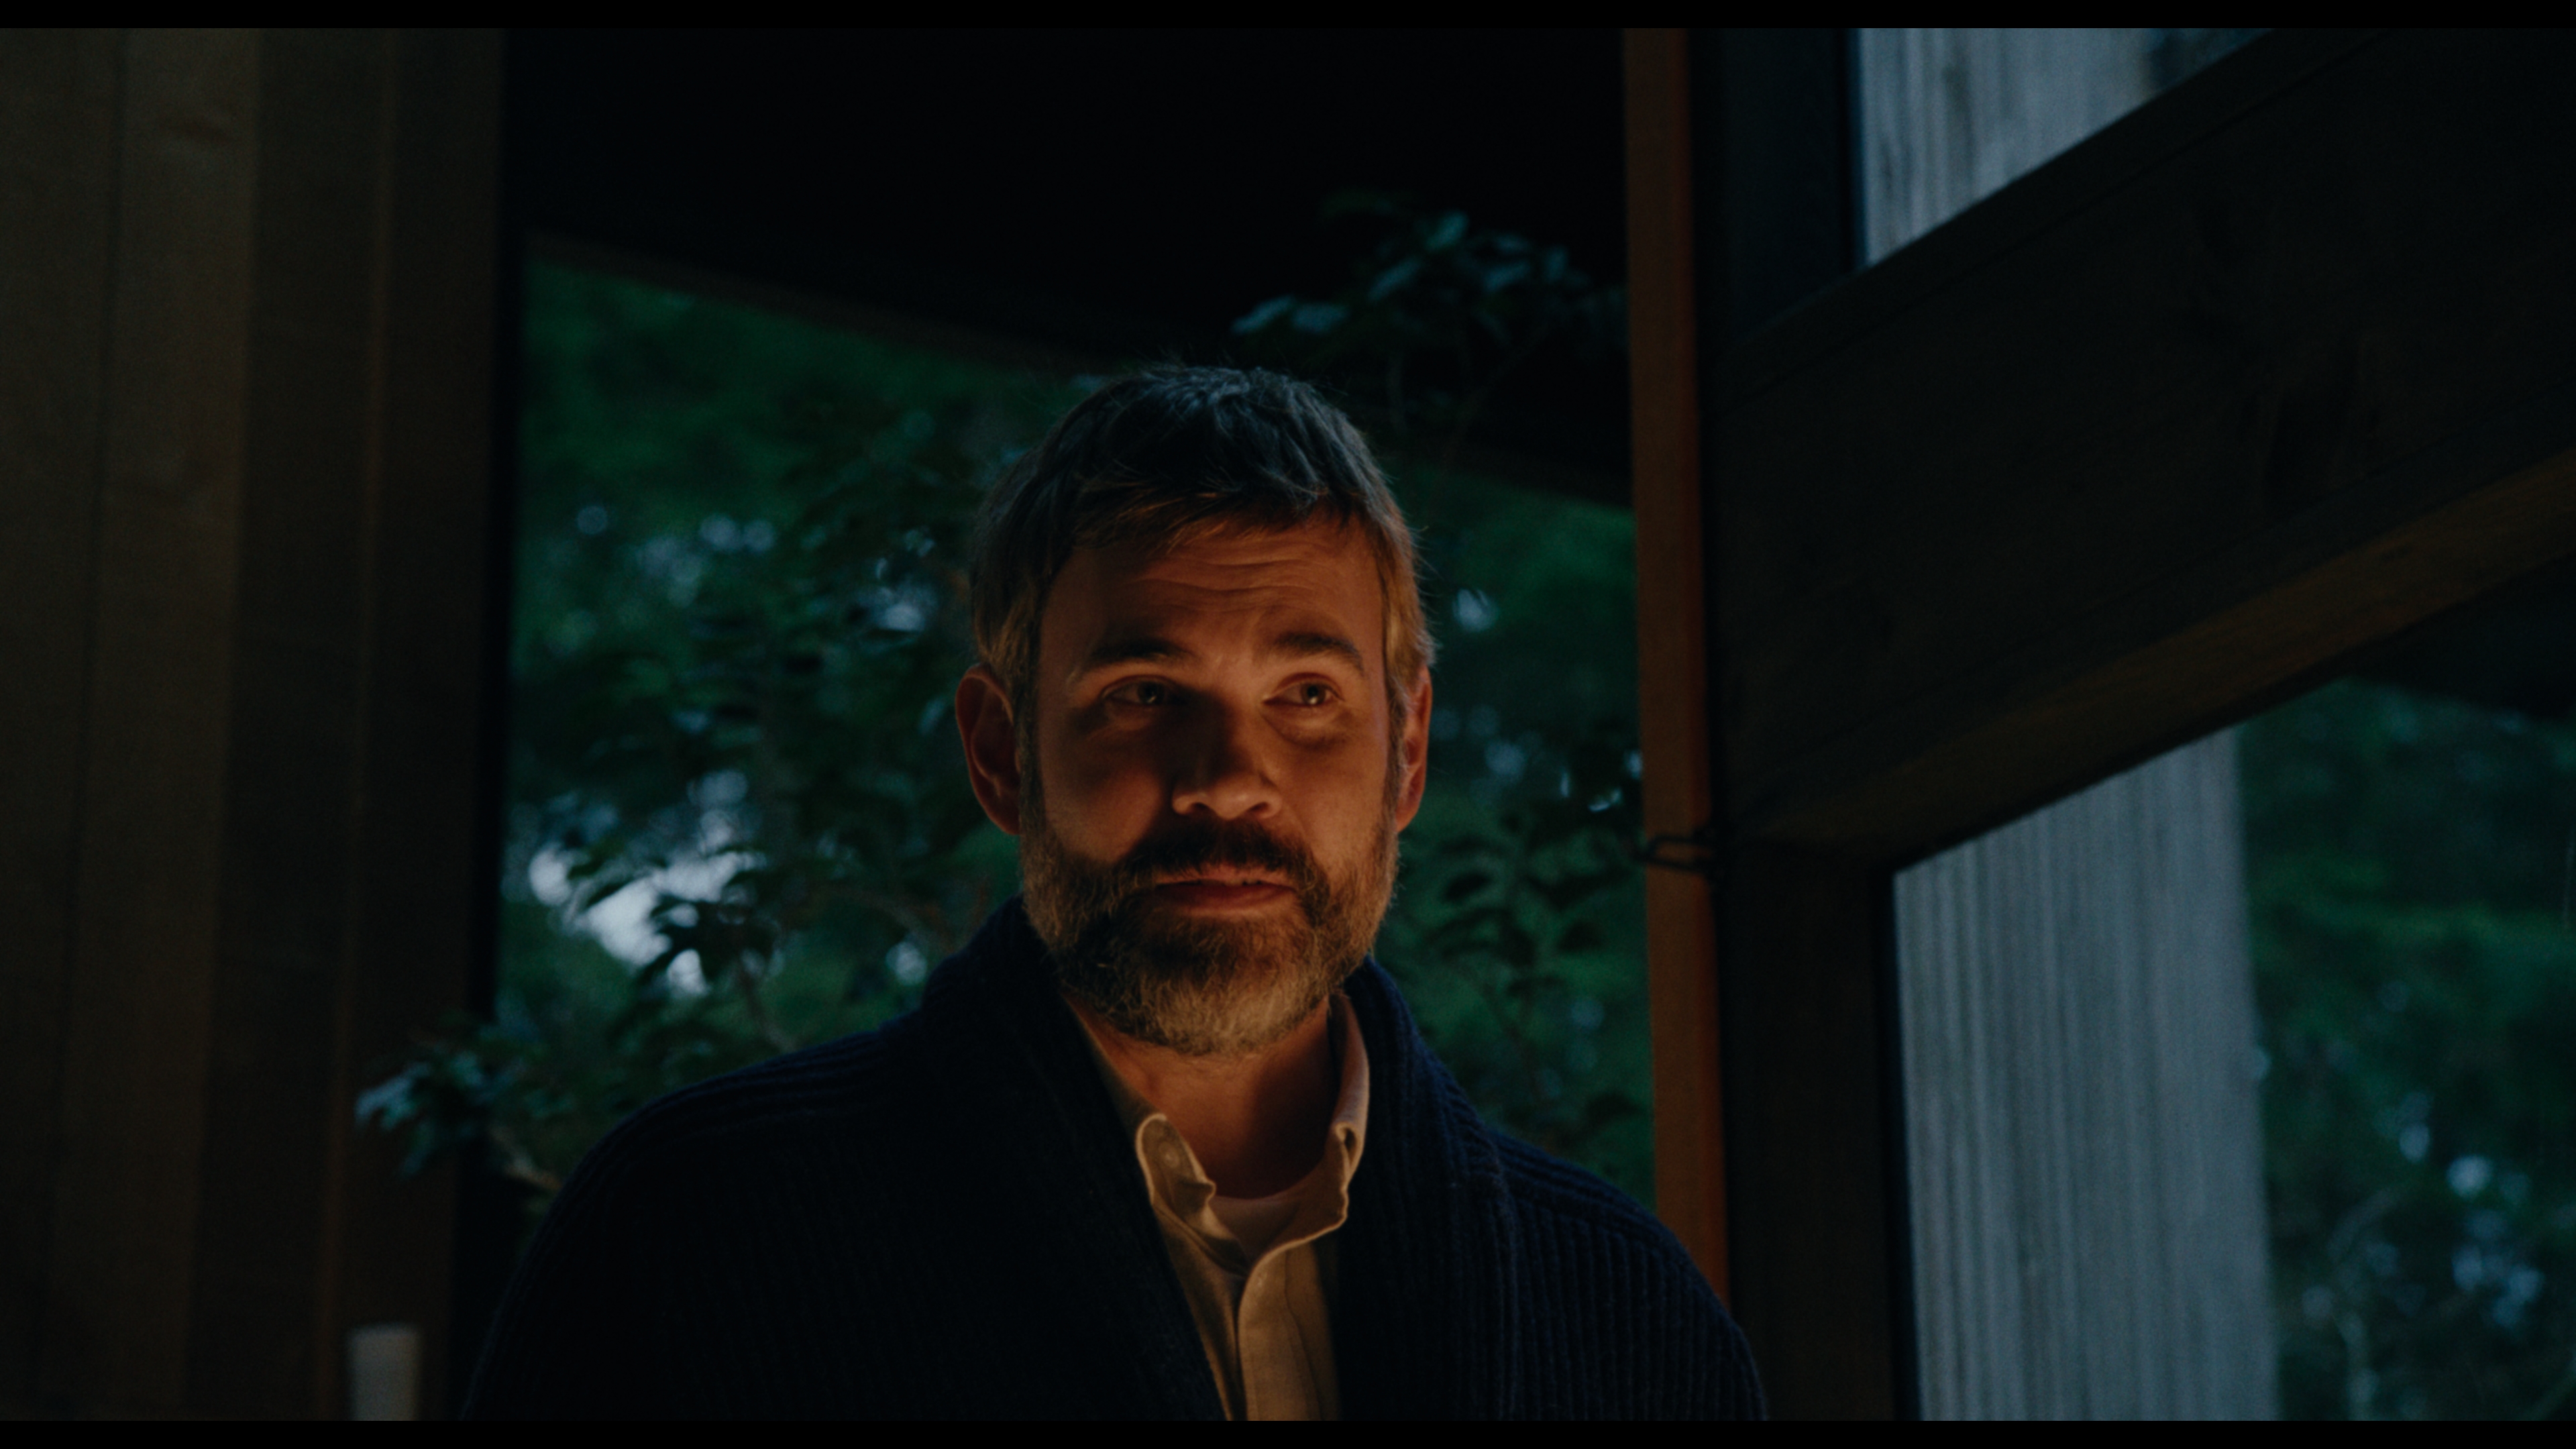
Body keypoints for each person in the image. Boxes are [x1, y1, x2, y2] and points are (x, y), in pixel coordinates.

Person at [464, 367, 1762, 1419]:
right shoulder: (692, 1237)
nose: (1229, 780)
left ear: (1408, 753)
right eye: (1145, 695)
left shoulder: (1632, 1319)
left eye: (1308, 696)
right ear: (1001, 752)